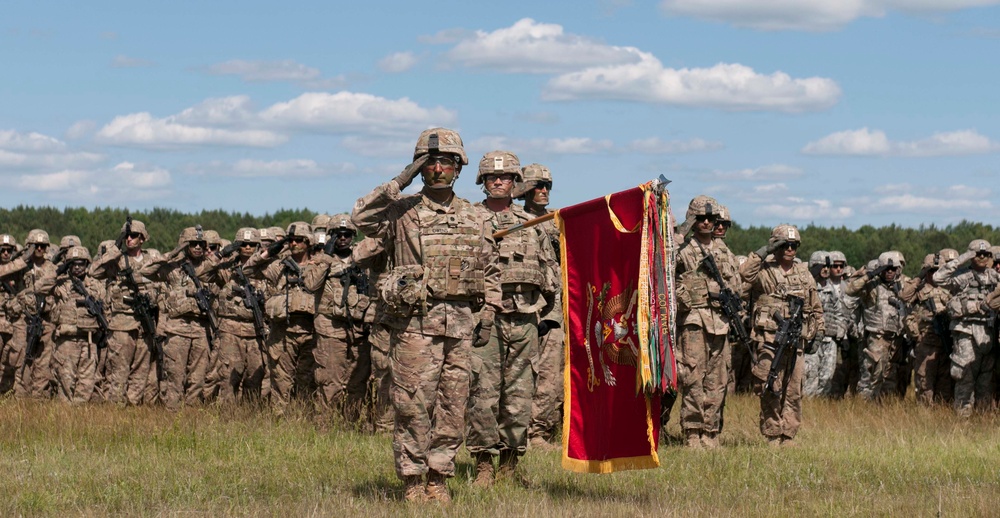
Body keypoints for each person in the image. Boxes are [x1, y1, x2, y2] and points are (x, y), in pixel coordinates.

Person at [351, 127, 501, 504]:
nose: (437, 169)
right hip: (414, 325)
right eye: (429, 163)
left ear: (458, 168)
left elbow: (491, 270)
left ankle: (438, 477)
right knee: (412, 404)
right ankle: (413, 480)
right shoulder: (401, 212)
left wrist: (488, 314)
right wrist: (401, 179)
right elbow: (360, 217)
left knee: (453, 405)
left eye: (445, 162)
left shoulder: (476, 217)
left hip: (461, 326)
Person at [467, 151, 557, 486]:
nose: (498, 181)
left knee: (519, 396)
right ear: (483, 181)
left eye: (505, 177)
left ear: (515, 182)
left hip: (525, 319)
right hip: (485, 319)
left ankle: (509, 463)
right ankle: (483, 464)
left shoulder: (531, 224)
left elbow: (550, 272)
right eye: (492, 177)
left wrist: (546, 314)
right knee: (483, 393)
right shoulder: (470, 219)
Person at [740, 224, 823, 446]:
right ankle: (772, 433)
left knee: (794, 388)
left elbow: (816, 307)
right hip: (768, 339)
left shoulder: (803, 273)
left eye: (794, 245)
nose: (790, 249)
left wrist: (819, 332)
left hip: (796, 340)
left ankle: (788, 434)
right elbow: (744, 273)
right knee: (769, 385)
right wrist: (764, 251)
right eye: (785, 245)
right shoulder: (764, 270)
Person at [674, 195, 741, 449]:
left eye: (711, 218)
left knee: (718, 379)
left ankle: (711, 432)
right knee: (692, 376)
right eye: (700, 218)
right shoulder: (682, 250)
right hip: (693, 321)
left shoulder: (724, 252)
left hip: (720, 322)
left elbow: (736, 285)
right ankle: (692, 431)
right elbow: (664, 271)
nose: (706, 223)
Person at [245, 222, 325, 414]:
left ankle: (303, 419)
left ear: (308, 242)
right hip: (283, 333)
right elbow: (248, 270)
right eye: (291, 240)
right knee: (281, 381)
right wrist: (272, 249)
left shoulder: (320, 265)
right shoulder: (279, 266)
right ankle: (279, 421)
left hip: (311, 332)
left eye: (299, 240)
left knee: (307, 381)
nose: (294, 243)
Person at [140, 227, 220, 410]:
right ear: (184, 244)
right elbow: (145, 271)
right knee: (174, 377)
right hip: (177, 328)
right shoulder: (173, 268)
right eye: (193, 244)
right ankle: (172, 415)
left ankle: (191, 416)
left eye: (201, 244)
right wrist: (172, 253)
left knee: (198, 378)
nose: (198, 247)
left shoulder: (209, 267)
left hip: (202, 328)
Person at [515, 163, 564, 452]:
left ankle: (539, 431)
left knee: (551, 372)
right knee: (523, 371)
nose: (544, 191)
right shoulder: (516, 221)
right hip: (526, 306)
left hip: (555, 308)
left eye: (547, 186)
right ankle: (521, 431)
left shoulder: (558, 221)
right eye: (537, 186)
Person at [90, 220, 160, 405]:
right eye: (126, 236)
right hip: (122, 323)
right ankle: (115, 409)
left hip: (146, 324)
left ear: (142, 238)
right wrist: (115, 246)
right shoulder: (117, 260)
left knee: (141, 371)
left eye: (133, 235)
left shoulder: (152, 260)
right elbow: (94, 271)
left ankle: (132, 410)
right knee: (119, 371)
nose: (129, 239)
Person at [312, 214, 373, 426]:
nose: (343, 238)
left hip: (359, 330)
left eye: (347, 234)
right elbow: (311, 284)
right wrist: (326, 257)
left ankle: (351, 425)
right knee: (331, 382)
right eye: (338, 234)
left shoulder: (363, 259)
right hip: (331, 329)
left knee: (358, 382)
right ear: (331, 236)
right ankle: (325, 427)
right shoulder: (321, 259)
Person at [933, 239, 999, 416]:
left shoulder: (994, 276)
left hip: (988, 332)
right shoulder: (962, 277)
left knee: (986, 379)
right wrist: (962, 259)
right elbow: (938, 278)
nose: (982, 257)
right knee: (965, 376)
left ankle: (983, 420)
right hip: (966, 332)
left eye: (986, 254)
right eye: (978, 254)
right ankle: (962, 420)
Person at [33, 246, 107, 403]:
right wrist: (57, 271)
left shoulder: (95, 285)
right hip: (66, 341)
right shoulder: (61, 283)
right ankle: (65, 416)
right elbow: (38, 288)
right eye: (73, 264)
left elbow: (104, 306)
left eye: (81, 263)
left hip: (89, 341)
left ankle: (79, 415)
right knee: (66, 384)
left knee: (86, 384)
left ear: (87, 264)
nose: (77, 267)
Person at [207, 228, 270, 403]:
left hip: (256, 330)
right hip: (230, 330)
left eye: (252, 244)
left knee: (255, 376)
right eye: (243, 244)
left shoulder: (265, 269)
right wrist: (220, 255)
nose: (248, 248)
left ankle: (249, 414)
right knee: (228, 377)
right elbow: (204, 272)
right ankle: (227, 414)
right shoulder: (227, 269)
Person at [846, 251, 909, 401]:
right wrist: (870, 275)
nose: (889, 272)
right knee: (873, 374)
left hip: (896, 339)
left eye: (893, 269)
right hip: (877, 337)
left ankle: (884, 407)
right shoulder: (872, 285)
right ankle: (865, 406)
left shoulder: (902, 285)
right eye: (886, 269)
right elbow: (849, 290)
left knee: (890, 375)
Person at [900, 253, 953, 405]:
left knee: (945, 386)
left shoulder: (949, 288)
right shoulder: (919, 288)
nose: (934, 274)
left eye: (938, 271)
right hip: (925, 344)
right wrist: (919, 277)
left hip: (946, 344)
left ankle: (942, 415)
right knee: (925, 384)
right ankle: (925, 416)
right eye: (931, 271)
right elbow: (903, 296)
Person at [804, 251, 843, 397]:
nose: (826, 269)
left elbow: (839, 312)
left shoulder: (832, 289)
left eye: (828, 266)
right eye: (822, 266)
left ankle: (821, 404)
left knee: (827, 375)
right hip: (812, 338)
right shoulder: (807, 287)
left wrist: (841, 333)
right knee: (810, 373)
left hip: (829, 339)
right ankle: (808, 403)